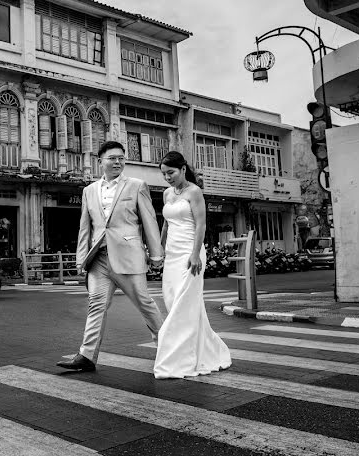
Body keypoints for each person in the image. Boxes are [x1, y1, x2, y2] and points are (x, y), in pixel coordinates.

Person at [57, 140, 165, 372]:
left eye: (121, 158)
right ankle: (86, 356)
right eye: (112, 158)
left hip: (128, 256)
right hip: (99, 259)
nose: (117, 162)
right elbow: (85, 228)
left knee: (145, 304)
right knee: (96, 305)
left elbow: (149, 221)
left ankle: (167, 347)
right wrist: (80, 258)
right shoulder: (89, 191)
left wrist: (156, 254)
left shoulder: (136, 185)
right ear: (100, 162)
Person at [153, 151, 231, 379]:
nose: (167, 177)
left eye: (171, 172)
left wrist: (196, 254)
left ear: (183, 169)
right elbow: (166, 224)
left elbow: (201, 225)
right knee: (172, 301)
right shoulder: (167, 193)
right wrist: (159, 250)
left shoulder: (194, 192)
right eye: (164, 174)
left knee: (183, 305)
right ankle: (202, 350)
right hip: (172, 255)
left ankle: (176, 360)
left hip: (190, 253)